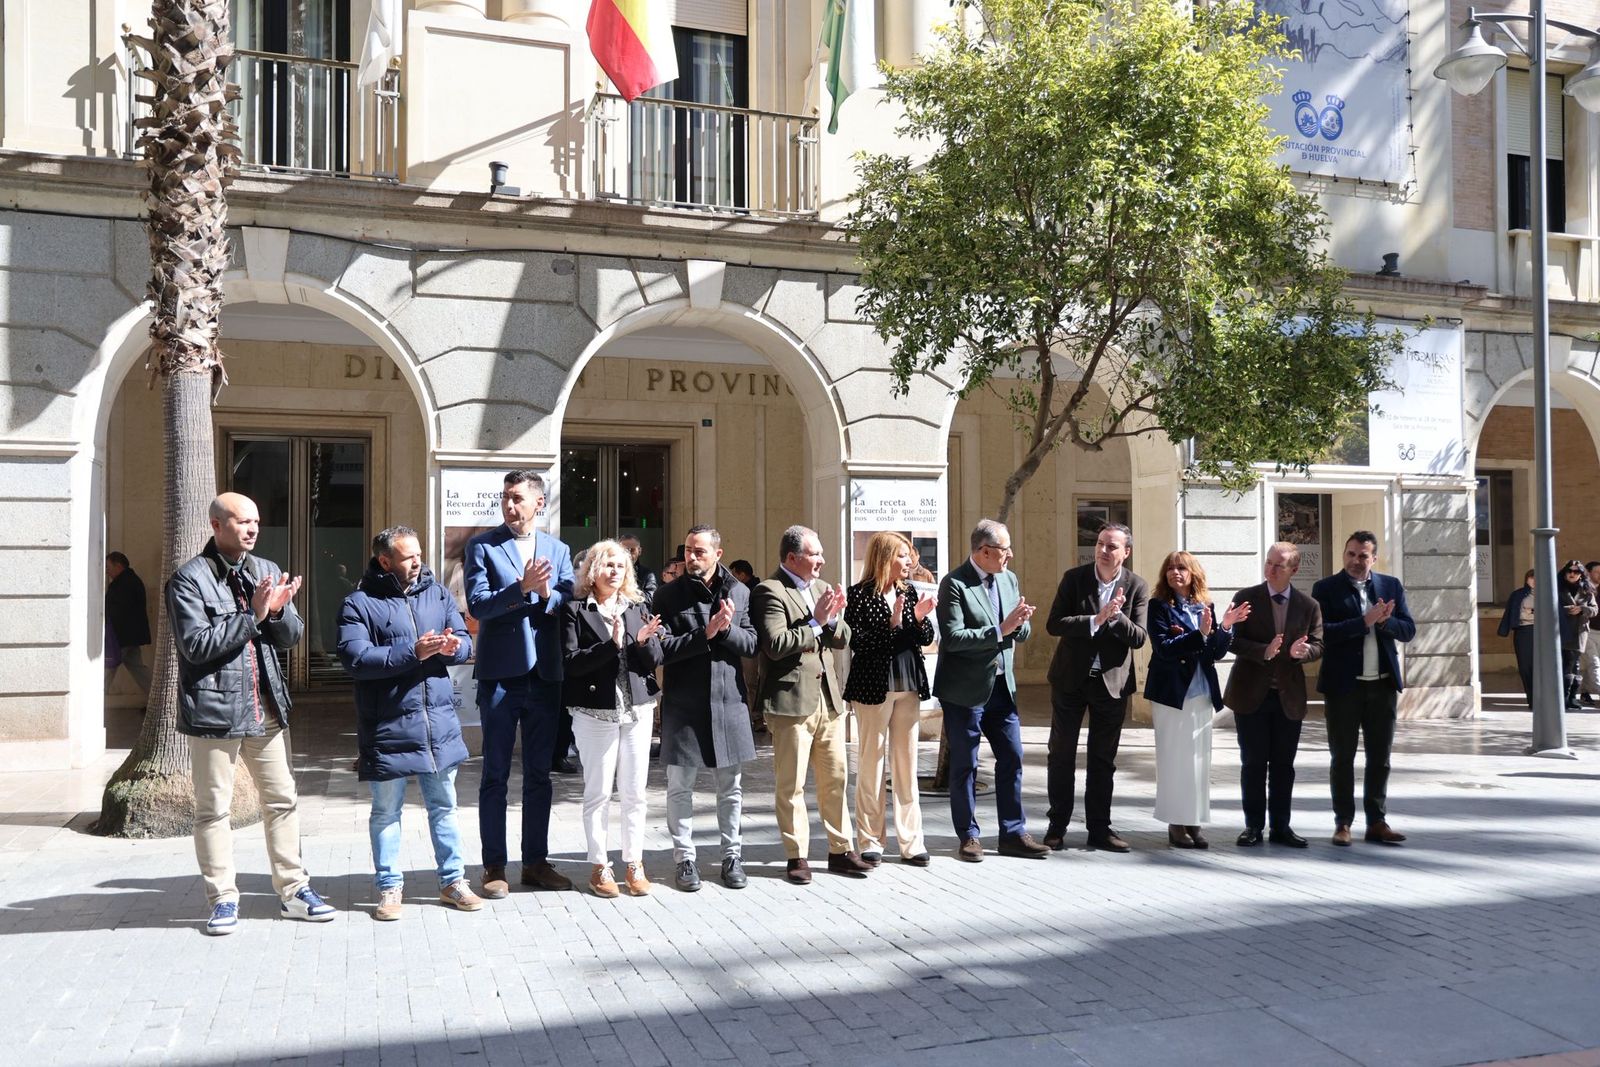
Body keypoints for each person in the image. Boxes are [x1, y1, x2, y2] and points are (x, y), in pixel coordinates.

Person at [167, 492, 335, 935]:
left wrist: (277, 612)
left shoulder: (264, 569)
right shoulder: (189, 579)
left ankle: (295, 891)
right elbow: (196, 646)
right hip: (214, 711)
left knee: (282, 800)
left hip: (266, 710)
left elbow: (291, 636)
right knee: (213, 809)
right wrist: (254, 614)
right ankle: (222, 898)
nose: (253, 529)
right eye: (243, 521)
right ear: (217, 525)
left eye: (256, 521)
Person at [337, 526, 482, 920]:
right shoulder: (359, 603)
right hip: (388, 726)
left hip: (438, 725)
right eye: (408, 557)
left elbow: (466, 641)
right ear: (385, 561)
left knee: (445, 807)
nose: (418, 561)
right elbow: (355, 659)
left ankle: (453, 881)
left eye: (419, 554)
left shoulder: (436, 593)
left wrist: (456, 647)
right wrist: (412, 653)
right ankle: (389, 887)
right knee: (386, 812)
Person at [464, 470, 576, 897]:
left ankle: (535, 861)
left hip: (544, 676)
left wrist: (547, 594)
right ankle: (494, 865)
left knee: (539, 776)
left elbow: (569, 598)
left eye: (517, 499)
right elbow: (477, 605)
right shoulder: (482, 547)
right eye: (505, 498)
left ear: (539, 504)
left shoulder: (558, 549)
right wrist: (521, 588)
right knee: (494, 773)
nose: (510, 506)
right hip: (499, 677)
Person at [752, 525, 871, 884]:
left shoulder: (821, 588)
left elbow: (844, 638)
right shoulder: (769, 591)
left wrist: (832, 619)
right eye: (814, 554)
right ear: (792, 558)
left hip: (828, 700)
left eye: (820, 553)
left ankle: (840, 850)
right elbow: (774, 643)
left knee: (836, 778)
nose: (822, 560)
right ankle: (796, 856)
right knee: (791, 785)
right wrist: (817, 622)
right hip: (791, 701)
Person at [933, 519, 1047, 862]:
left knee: (1012, 756)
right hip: (965, 689)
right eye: (1003, 550)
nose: (1009, 555)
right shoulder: (954, 584)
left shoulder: (1008, 579)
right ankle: (968, 835)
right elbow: (952, 638)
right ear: (984, 552)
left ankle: (1013, 832)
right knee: (966, 764)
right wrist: (1001, 629)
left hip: (1002, 686)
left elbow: (1018, 633)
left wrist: (1020, 623)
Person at [559, 539, 664, 898]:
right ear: (592, 570)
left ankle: (634, 862)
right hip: (594, 714)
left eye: (620, 566)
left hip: (637, 710)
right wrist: (612, 645)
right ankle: (600, 865)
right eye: (607, 565)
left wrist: (644, 642)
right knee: (599, 793)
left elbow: (653, 659)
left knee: (635, 793)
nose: (615, 572)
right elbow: (571, 664)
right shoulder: (574, 609)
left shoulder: (637, 606)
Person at [655, 525, 758, 891]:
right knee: (679, 786)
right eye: (687, 551)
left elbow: (751, 643)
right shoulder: (667, 596)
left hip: (728, 702)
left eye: (699, 551)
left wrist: (727, 631)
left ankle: (732, 856)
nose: (691, 558)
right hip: (684, 702)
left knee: (730, 787)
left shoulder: (740, 592)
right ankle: (684, 859)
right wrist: (706, 635)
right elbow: (661, 648)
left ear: (718, 552)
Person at [1042, 523, 1149, 852]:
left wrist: (1115, 618)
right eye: (1100, 543)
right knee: (1061, 754)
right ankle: (1056, 826)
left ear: (1125, 553)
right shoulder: (1074, 579)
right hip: (1070, 681)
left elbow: (1140, 637)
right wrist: (1094, 620)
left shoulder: (1136, 586)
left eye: (1112, 546)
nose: (1103, 550)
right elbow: (1054, 623)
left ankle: (1099, 829)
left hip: (1111, 685)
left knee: (1102, 759)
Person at [1312, 532, 1417, 847]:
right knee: (1342, 757)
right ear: (1344, 555)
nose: (1356, 561)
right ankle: (1343, 823)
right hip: (1344, 687)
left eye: (1363, 556)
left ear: (1374, 558)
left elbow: (1408, 629)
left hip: (1382, 685)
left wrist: (1385, 623)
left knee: (1380, 758)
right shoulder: (1325, 589)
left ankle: (1377, 821)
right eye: (1351, 554)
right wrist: (1364, 621)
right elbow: (1322, 633)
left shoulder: (1390, 586)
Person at [844, 531, 936, 868]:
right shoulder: (859, 595)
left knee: (906, 766)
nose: (909, 562)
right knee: (870, 763)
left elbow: (923, 638)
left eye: (909, 555)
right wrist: (894, 622)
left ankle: (912, 842)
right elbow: (861, 643)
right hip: (872, 686)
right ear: (883, 558)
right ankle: (870, 841)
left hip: (908, 684)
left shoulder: (909, 592)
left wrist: (919, 618)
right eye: (901, 555)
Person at [1222, 542, 1323, 849]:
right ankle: (1253, 826)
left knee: (1283, 765)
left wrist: (1301, 653)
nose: (1270, 569)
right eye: (1268, 562)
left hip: (1287, 698)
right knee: (1253, 763)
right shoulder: (1246, 598)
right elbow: (1231, 640)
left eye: (1278, 565)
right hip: (1251, 695)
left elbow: (1319, 644)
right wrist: (1262, 651)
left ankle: (1281, 827)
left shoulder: (1308, 606)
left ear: (1293, 570)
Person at [1144, 551, 1244, 849]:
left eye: (1182, 568)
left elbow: (1214, 653)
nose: (1175, 572)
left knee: (1199, 762)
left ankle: (1195, 821)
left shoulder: (1206, 606)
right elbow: (1163, 648)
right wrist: (1198, 635)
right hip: (1171, 695)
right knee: (1175, 760)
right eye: (1171, 568)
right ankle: (1176, 824)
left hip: (1201, 694)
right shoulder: (1158, 606)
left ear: (1193, 574)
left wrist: (1224, 627)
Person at [104, 551, 152, 697]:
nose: (106, 571)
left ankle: (93, 705)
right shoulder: (129, 580)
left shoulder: (124, 583)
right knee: (138, 669)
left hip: (121, 637)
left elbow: (118, 611)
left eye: (108, 567)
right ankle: (156, 698)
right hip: (130, 637)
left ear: (118, 566)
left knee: (107, 669)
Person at [1557, 560, 1597, 711]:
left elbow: (1594, 610)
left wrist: (1582, 609)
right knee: (1567, 664)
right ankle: (1565, 697)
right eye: (1569, 571)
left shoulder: (1587, 590)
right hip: (1562, 630)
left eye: (1576, 572)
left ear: (1581, 574)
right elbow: (1550, 606)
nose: (1572, 574)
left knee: (1575, 665)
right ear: (1565, 573)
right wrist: (1567, 609)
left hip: (1580, 632)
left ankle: (1572, 697)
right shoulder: (1558, 588)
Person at [1496, 570, 1537, 706]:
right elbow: (1518, 615)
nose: (1534, 580)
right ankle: (1531, 698)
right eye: (1531, 577)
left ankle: (1541, 699)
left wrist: (1530, 611)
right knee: (1525, 666)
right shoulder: (1518, 595)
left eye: (1537, 577)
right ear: (1527, 579)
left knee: (1541, 667)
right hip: (1523, 631)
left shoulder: (1547, 594)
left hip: (1542, 633)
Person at [617, 533, 659, 608]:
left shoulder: (647, 574)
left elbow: (651, 598)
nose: (628, 554)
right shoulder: (611, 572)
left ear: (639, 551)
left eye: (632, 550)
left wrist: (628, 592)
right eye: (625, 550)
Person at [1583, 562, 1600, 705]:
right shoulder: (1585, 590)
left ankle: (1585, 691)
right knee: (1594, 663)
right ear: (1589, 573)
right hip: (1589, 632)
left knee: (1593, 665)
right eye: (1597, 572)